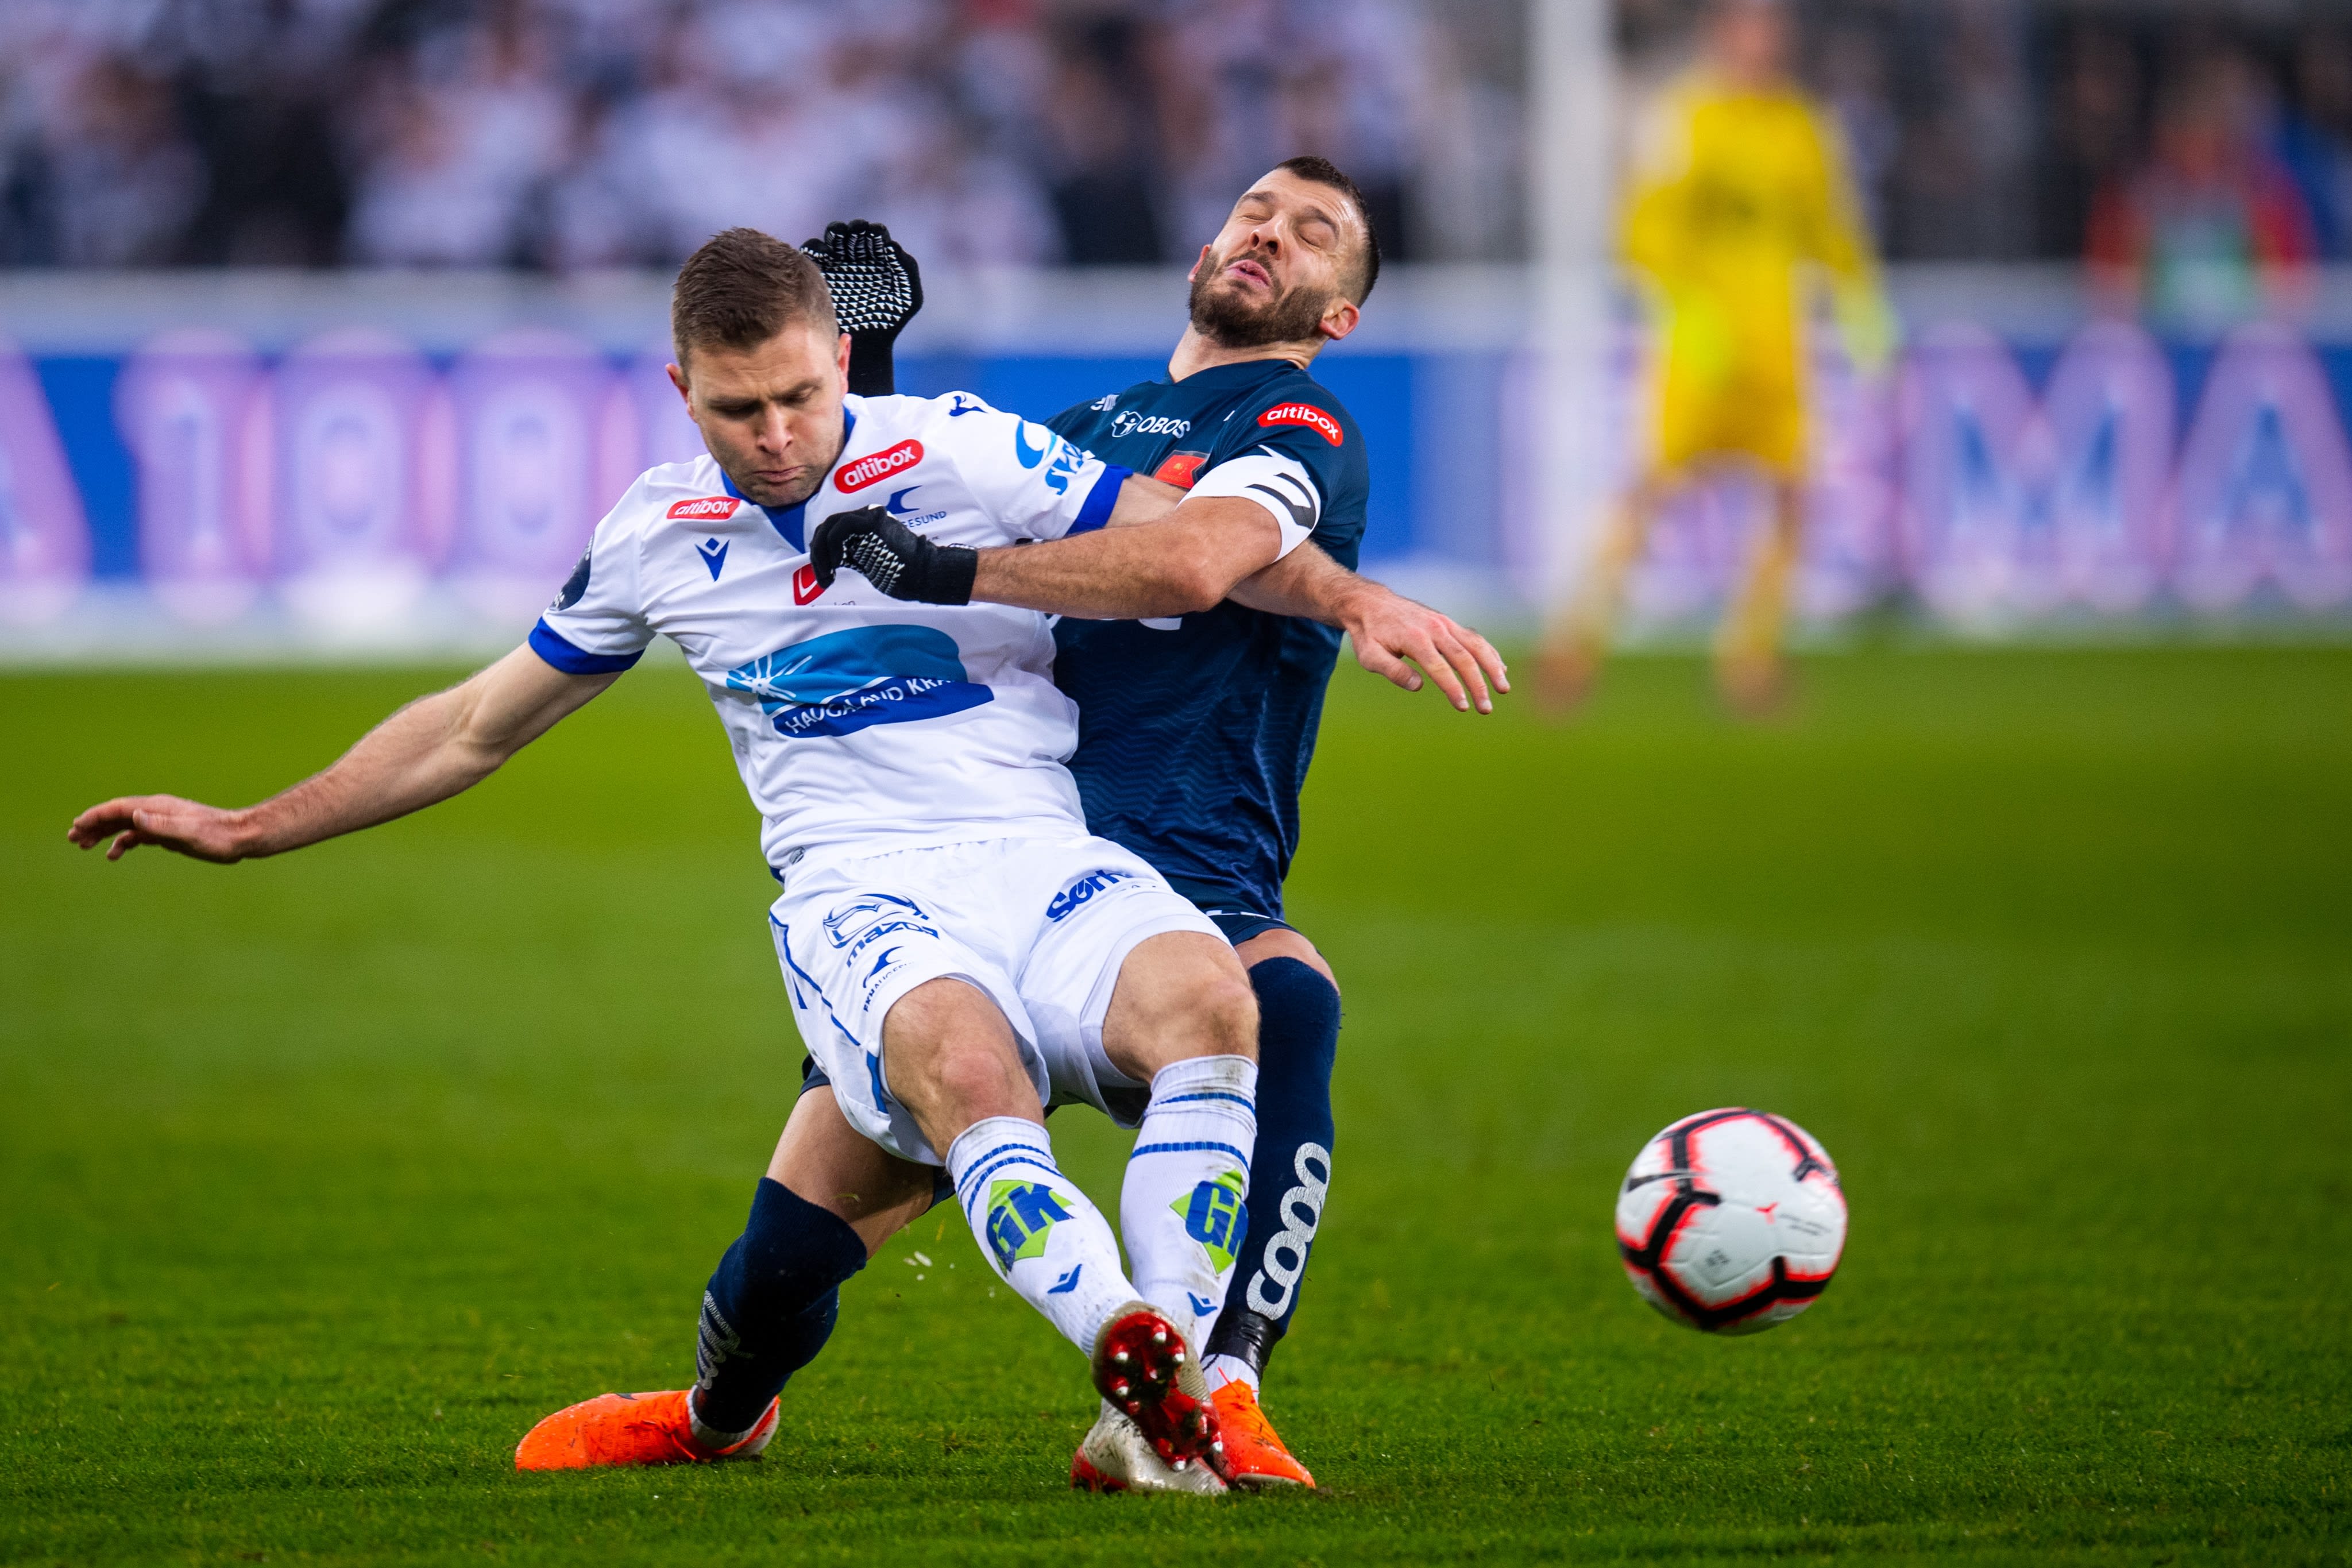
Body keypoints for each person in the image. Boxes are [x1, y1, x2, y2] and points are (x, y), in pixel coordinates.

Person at [68, 229, 1315, 1484]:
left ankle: (1159, 1401)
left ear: (843, 359)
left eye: (798, 397)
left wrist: (1358, 600)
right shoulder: (657, 535)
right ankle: (757, 1412)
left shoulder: (964, 448)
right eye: (737, 409)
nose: (774, 436)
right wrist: (249, 827)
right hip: (864, 895)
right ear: (681, 390)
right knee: (896, 1151)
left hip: (1037, 853)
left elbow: (1198, 542)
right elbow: (469, 728)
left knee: (1215, 1006)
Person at [785, 157, 1509, 1492]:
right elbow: (875, 549)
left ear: (1339, 314)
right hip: (991, 867)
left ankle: (1215, 1390)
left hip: (1182, 862)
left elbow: (1192, 559)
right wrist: (863, 373)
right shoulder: (1078, 432)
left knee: (1285, 999)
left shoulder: (1298, 420)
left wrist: (1348, 600)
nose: (1269, 233)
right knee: (790, 1253)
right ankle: (719, 1405)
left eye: (1312, 234)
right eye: (1254, 212)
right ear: (1204, 247)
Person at [1536, 0, 1893, 716]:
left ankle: (1749, 660)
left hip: (1778, 345)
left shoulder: (1801, 126)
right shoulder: (1686, 118)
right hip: (1702, 349)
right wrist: (1686, 308)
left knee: (1792, 498)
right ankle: (1575, 642)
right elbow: (1644, 226)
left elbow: (1830, 226)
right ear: (1723, 35)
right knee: (1650, 492)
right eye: (1755, 26)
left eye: (1775, 27)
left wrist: (1861, 300)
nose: (1768, 41)